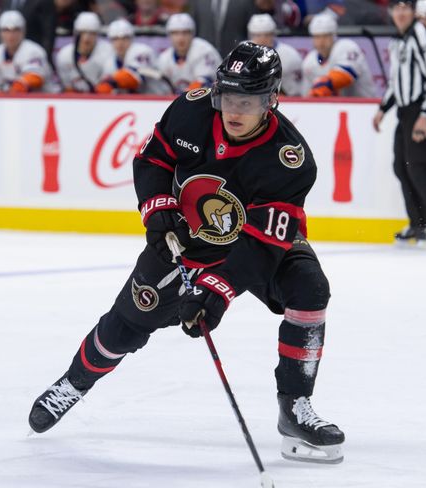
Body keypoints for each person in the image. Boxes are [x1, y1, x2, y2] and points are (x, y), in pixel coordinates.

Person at [27, 41, 345, 465]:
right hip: (185, 239)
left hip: (256, 245)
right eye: (228, 97)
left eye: (247, 100)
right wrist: (158, 210)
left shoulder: (290, 161)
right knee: (124, 327)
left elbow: (260, 245)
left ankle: (295, 406)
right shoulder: (191, 110)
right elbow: (153, 158)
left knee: (309, 287)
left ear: (271, 100)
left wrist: (215, 293)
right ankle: (73, 383)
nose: (234, 110)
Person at [373, 0, 426, 248]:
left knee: (418, 166)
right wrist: (383, 108)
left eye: (405, 8)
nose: (400, 13)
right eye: (396, 8)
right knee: (402, 166)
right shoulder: (398, 40)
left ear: (413, 12)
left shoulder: (422, 35)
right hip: (405, 110)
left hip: (423, 108)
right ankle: (419, 224)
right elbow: (396, 80)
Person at [301, 13, 375, 97]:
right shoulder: (309, 62)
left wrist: (324, 84)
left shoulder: (346, 46)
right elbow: (306, 96)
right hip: (330, 108)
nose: (321, 42)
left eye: (325, 36)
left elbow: (346, 75)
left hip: (364, 106)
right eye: (317, 37)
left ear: (333, 36)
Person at [0, 10, 54, 93]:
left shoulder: (33, 50)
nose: (11, 35)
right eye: (6, 30)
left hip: (43, 99)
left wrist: (13, 89)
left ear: (23, 31)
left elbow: (35, 79)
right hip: (13, 100)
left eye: (16, 30)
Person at [96, 18, 164, 94]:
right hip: (133, 102)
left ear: (132, 38)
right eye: (115, 39)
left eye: (124, 38)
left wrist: (110, 83)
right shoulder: (110, 61)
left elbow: (133, 78)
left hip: (157, 99)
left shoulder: (142, 51)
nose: (120, 43)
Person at [157, 13, 221, 94]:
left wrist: (183, 97)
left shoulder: (204, 50)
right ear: (169, 35)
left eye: (185, 32)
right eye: (175, 33)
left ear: (192, 34)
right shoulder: (164, 58)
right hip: (181, 100)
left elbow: (204, 82)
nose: (180, 37)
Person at [56, 11, 114, 92]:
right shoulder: (64, 55)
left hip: (100, 96)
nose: (86, 38)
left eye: (92, 33)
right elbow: (67, 87)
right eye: (82, 33)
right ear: (75, 34)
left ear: (97, 34)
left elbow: (108, 84)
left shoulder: (108, 52)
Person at [247, 13, 303, 96]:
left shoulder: (290, 54)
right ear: (250, 35)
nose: (262, 39)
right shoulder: (242, 51)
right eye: (257, 35)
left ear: (273, 34)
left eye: (266, 35)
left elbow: (296, 92)